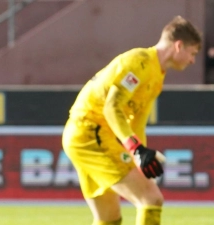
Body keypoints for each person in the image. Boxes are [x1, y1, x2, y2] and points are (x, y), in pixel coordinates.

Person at [62, 15, 201, 225]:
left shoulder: (157, 75)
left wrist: (140, 155)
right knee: (151, 199)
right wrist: (135, 149)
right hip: (90, 133)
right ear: (178, 46)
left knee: (109, 218)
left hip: (85, 136)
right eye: (193, 53)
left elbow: (137, 122)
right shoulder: (140, 62)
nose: (193, 60)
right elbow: (112, 107)